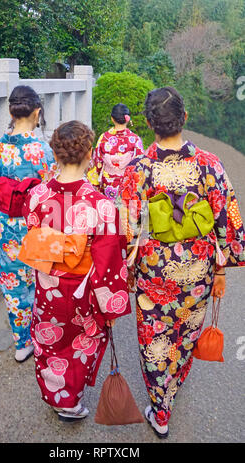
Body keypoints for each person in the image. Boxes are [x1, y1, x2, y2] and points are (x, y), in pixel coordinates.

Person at [116, 86, 245, 438]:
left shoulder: (137, 170)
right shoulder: (209, 164)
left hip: (154, 272)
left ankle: (160, 409)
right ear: (184, 118)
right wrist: (220, 269)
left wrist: (128, 268)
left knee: (155, 339)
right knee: (185, 332)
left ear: (148, 123)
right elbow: (227, 218)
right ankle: (173, 383)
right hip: (197, 272)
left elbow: (126, 227)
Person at [19, 120, 131, 422]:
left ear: (55, 154)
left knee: (49, 340)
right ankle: (70, 399)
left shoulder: (37, 196)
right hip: (84, 291)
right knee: (82, 343)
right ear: (91, 154)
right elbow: (108, 266)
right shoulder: (102, 206)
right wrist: (110, 307)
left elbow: (34, 239)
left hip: (48, 286)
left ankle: (56, 395)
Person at [0, 85, 55, 363]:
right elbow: (51, 192)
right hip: (37, 227)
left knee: (13, 283)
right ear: (37, 112)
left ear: (12, 112)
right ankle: (41, 334)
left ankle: (21, 342)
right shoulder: (43, 151)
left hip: (8, 226)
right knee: (39, 279)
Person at [87, 103, 144, 201]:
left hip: (108, 184)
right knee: (125, 212)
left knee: (110, 212)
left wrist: (96, 186)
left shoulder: (104, 138)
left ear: (112, 118)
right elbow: (141, 164)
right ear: (127, 119)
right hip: (127, 183)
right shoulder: (135, 139)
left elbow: (97, 162)